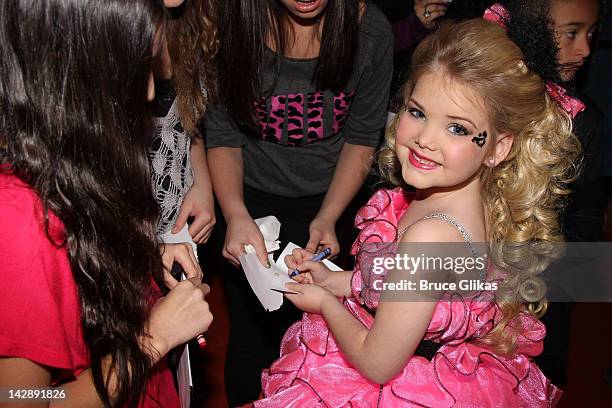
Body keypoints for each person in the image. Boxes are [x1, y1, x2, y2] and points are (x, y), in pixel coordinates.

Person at [251, 5, 582, 406]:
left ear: (498, 147)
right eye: (418, 112)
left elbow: (377, 363)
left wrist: (324, 304)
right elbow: (403, 290)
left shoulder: (431, 238)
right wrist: (333, 280)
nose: (426, 138)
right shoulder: (466, 199)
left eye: (457, 127)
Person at [0, 1, 212, 406]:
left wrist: (136, 254)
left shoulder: (69, 153)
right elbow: (22, 399)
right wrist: (155, 339)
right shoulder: (16, 222)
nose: (151, 91)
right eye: (138, 66)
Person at [204, 0, 393, 404]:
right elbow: (222, 136)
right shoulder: (231, 23)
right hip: (247, 200)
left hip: (332, 201)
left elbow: (362, 136)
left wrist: (329, 215)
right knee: (251, 337)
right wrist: (235, 214)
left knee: (322, 340)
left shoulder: (370, 32)